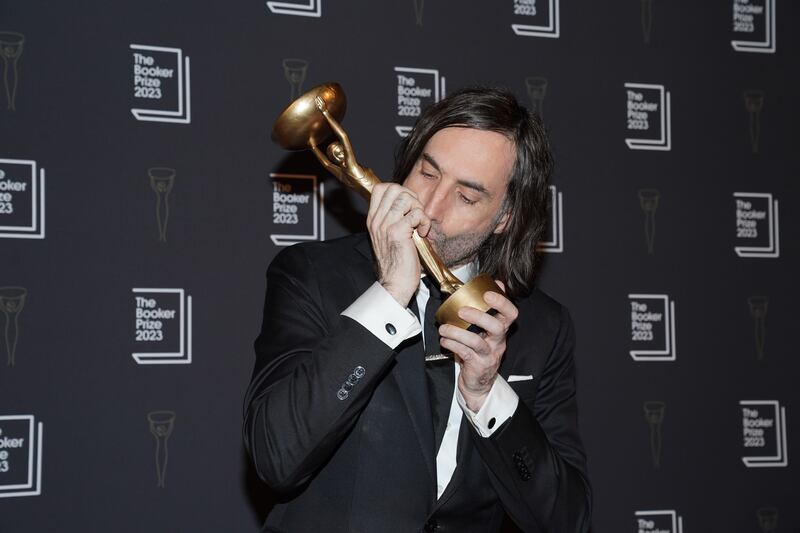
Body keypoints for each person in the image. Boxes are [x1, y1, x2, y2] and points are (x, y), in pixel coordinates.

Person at [243, 87, 592, 532]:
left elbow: (566, 519)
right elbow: (276, 456)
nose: (429, 206)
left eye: (467, 197)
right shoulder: (311, 276)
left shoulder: (541, 325)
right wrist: (389, 295)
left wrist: (488, 394)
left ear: (505, 217)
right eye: (427, 173)